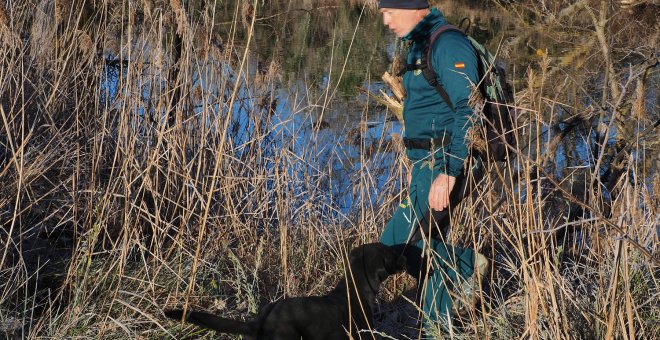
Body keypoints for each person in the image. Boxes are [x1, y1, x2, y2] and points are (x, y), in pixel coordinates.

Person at [378, 0, 488, 334]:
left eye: (389, 11)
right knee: (395, 243)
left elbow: (469, 109)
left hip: (443, 161)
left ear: (412, 6)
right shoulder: (420, 44)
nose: (386, 20)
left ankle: (434, 327)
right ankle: (465, 268)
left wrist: (449, 171)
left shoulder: (448, 43)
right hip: (424, 162)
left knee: (425, 247)